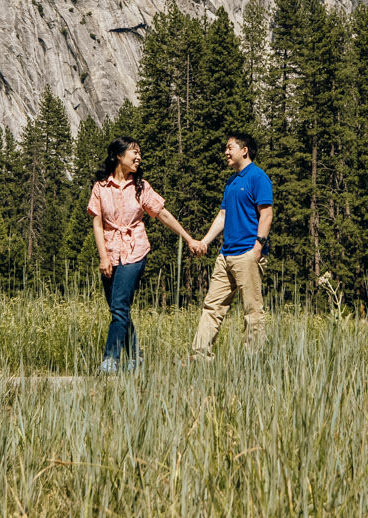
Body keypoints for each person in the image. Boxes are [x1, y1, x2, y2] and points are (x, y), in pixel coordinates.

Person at [86, 136, 200, 373]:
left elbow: (162, 214)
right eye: (133, 153)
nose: (138, 157)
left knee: (119, 307)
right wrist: (103, 257)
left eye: (139, 153)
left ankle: (110, 360)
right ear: (119, 156)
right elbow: (97, 224)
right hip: (110, 250)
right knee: (119, 309)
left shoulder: (141, 186)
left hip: (135, 251)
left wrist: (188, 238)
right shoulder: (100, 187)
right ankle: (136, 357)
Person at [189, 131, 273, 360]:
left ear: (244, 150)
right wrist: (205, 242)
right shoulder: (231, 182)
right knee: (212, 307)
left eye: (230, 147)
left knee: (252, 311)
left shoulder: (258, 177)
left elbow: (266, 214)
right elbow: (223, 216)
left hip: (248, 253)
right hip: (225, 255)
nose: (226, 152)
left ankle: (252, 363)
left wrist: (258, 248)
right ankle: (200, 358)